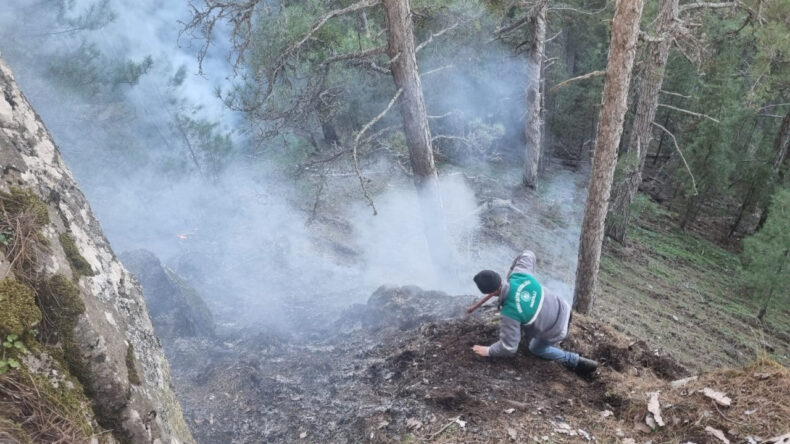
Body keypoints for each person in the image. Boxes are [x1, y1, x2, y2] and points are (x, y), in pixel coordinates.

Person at [469, 250, 598, 375]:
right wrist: (510, 274)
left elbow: (509, 348)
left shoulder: (509, 313)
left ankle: (572, 360)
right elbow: (528, 253)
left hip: (558, 330)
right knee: (527, 321)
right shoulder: (519, 274)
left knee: (535, 348)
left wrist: (488, 350)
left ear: (488, 292)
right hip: (564, 308)